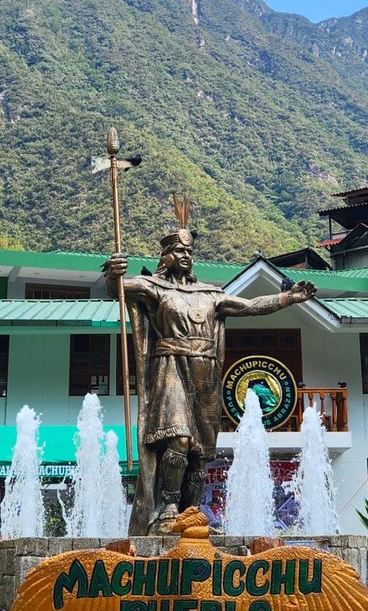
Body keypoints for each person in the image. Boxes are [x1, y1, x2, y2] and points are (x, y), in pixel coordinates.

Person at [105, 209, 317, 534]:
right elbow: (119, 290)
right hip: (170, 366)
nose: (185, 255)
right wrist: (114, 273)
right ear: (165, 256)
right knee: (177, 437)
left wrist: (288, 297)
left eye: (189, 251)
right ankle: (167, 508)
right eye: (179, 250)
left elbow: (249, 306)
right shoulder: (154, 288)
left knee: (200, 452)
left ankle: (192, 513)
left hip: (205, 373)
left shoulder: (209, 293)